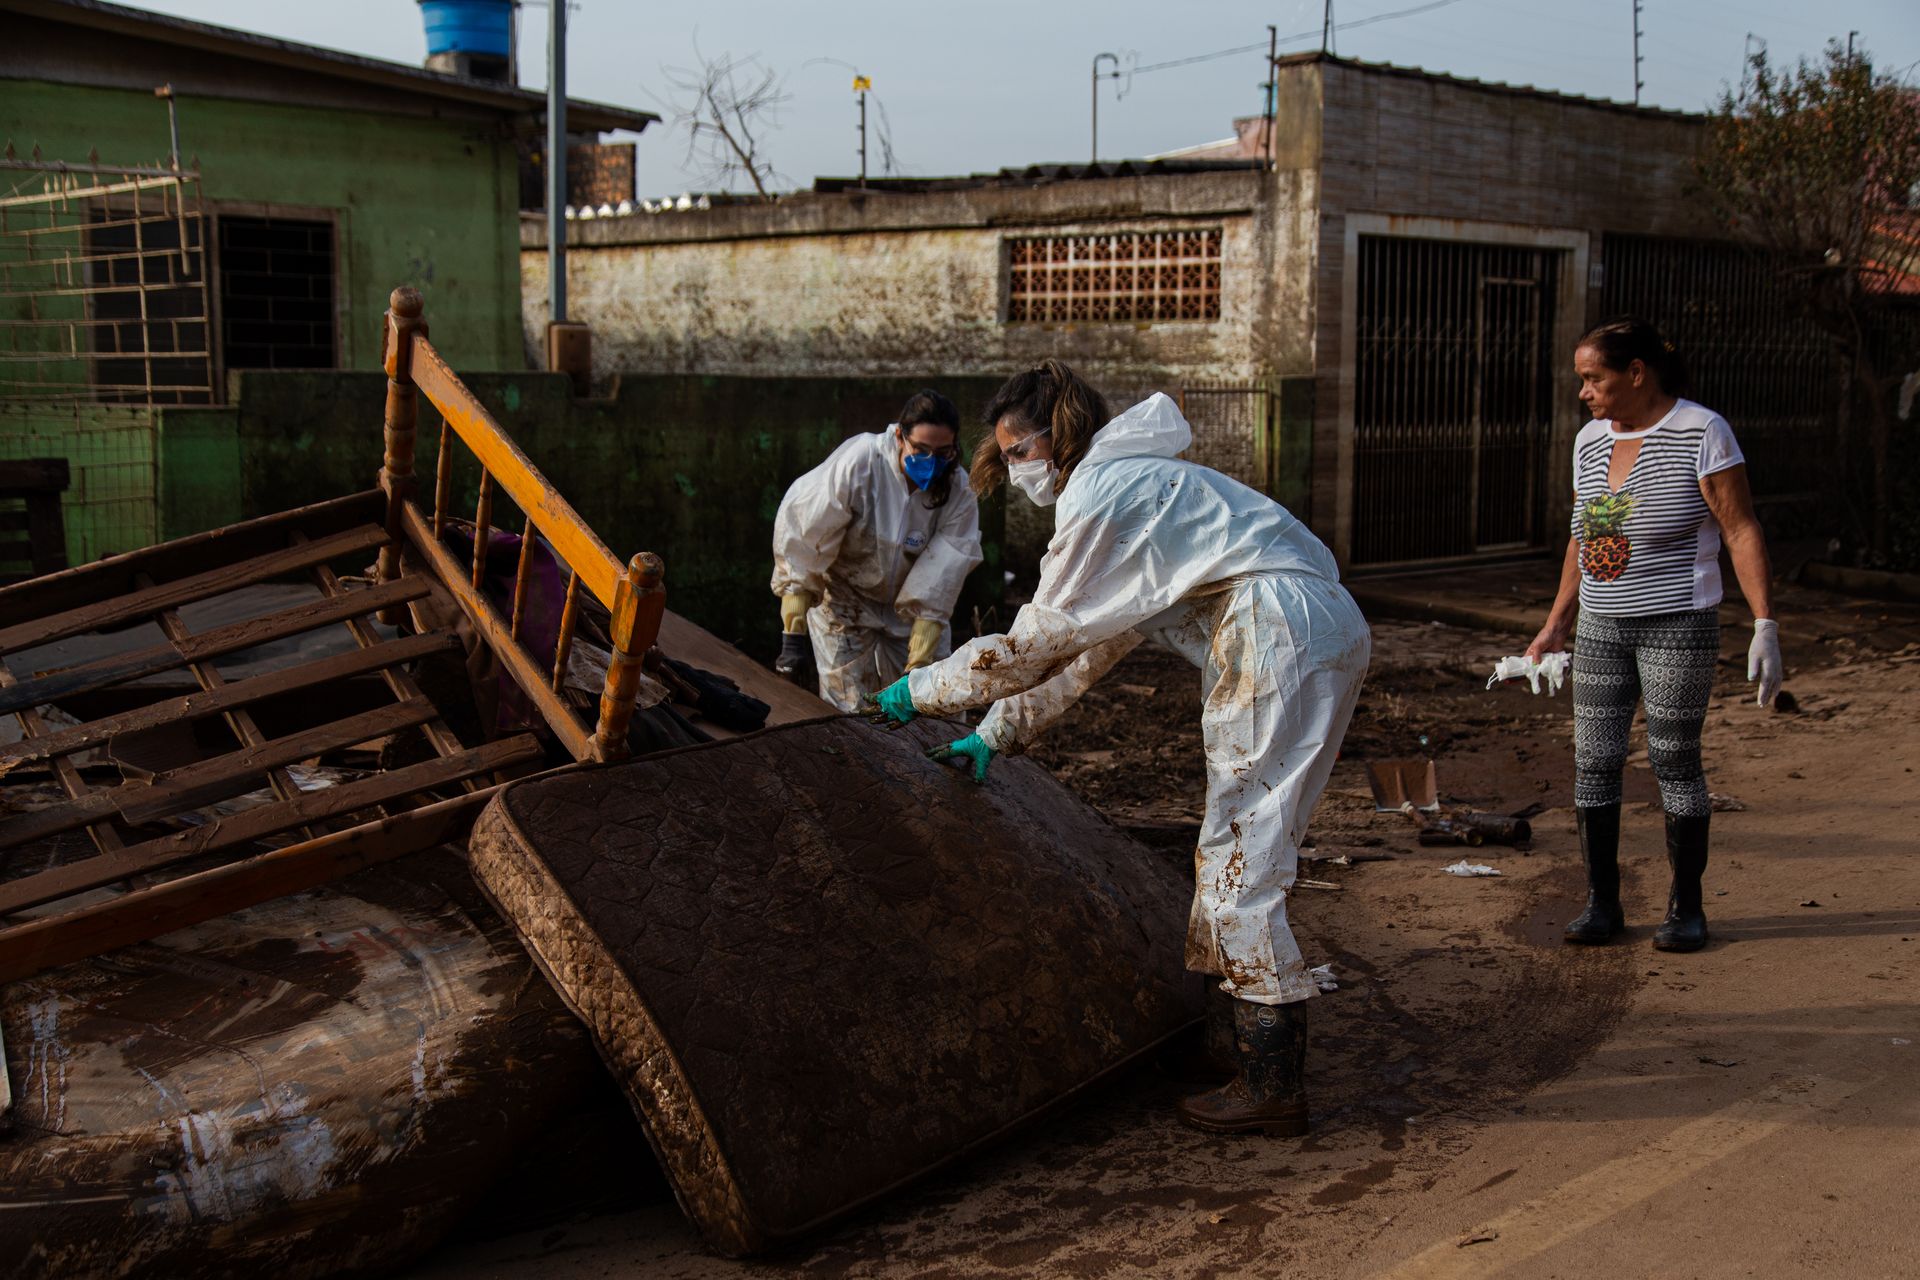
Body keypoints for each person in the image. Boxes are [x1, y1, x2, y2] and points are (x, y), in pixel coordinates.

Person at [864, 360, 1371, 1137]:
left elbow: (1035, 644)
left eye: (1021, 449)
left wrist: (920, 690)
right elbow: (1091, 648)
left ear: (1057, 435)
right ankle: (1231, 1043)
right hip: (1304, 624)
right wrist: (997, 733)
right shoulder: (1139, 488)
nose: (1019, 467)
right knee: (1238, 841)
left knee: (1244, 849)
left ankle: (1273, 1077)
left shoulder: (1107, 494)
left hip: (1277, 630)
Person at [1525, 317, 1781, 954]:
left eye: (1594, 378)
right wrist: (1558, 621)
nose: (1584, 391)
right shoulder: (1589, 441)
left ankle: (1686, 907)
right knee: (1594, 764)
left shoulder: (1703, 431)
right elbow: (1585, 537)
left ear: (1635, 373)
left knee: (1672, 759)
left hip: (1679, 625)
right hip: (1603, 626)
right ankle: (1601, 903)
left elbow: (1740, 529)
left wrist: (1765, 624)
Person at [770, 390, 983, 711]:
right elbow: (805, 534)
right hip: (845, 600)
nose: (931, 462)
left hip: (912, 612)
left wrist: (918, 666)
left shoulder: (958, 491)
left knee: (932, 706)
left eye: (942, 453)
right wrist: (793, 634)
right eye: (921, 450)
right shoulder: (861, 462)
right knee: (850, 707)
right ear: (900, 436)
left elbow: (942, 575)